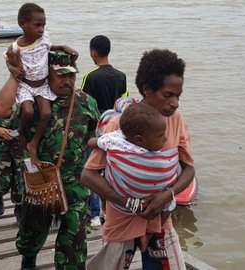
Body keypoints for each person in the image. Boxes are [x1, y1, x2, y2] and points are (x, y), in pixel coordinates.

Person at [81, 49, 195, 270]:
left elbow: (189, 169)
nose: (175, 103)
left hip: (159, 216)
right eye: (168, 95)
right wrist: (128, 203)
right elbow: (88, 174)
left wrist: (167, 195)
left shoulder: (176, 120)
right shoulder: (121, 124)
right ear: (147, 90)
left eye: (178, 96)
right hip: (121, 218)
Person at [0, 51, 99, 270]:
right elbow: (1, 116)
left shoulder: (86, 103)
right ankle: (29, 259)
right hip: (39, 184)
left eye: (71, 75)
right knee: (31, 237)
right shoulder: (28, 102)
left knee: (73, 246)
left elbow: (91, 137)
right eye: (60, 75)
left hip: (74, 187)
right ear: (46, 75)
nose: (67, 81)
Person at [88, 102, 180, 252]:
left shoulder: (113, 141)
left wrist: (96, 142)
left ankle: (147, 234)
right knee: (170, 204)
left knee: (167, 201)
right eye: (160, 136)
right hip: (135, 203)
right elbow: (87, 175)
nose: (165, 140)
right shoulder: (119, 142)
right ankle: (149, 234)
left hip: (131, 203)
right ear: (139, 140)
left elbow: (93, 141)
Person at [2, 2, 78, 167]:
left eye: (43, 25)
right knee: (28, 111)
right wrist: (12, 70)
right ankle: (21, 132)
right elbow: (9, 61)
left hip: (42, 84)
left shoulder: (44, 38)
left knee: (46, 114)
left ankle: (33, 143)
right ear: (23, 24)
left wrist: (63, 46)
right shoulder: (15, 47)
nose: (41, 29)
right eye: (37, 25)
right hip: (26, 85)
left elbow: (50, 47)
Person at [81, 34, 128, 227]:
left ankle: (94, 214)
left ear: (93, 52)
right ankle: (110, 211)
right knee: (111, 171)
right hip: (117, 131)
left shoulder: (90, 76)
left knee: (92, 170)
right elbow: (123, 105)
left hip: (96, 132)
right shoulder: (121, 76)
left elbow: (83, 104)